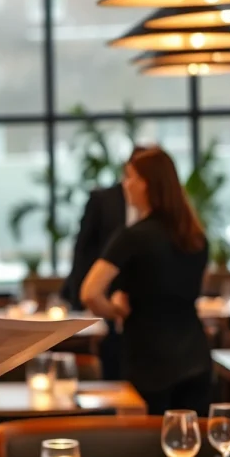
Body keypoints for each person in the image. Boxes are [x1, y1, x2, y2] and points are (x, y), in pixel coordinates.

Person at [79, 147, 211, 416]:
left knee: (148, 437)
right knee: (192, 437)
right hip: (195, 355)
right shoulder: (195, 236)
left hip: (149, 358)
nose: (125, 185)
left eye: (130, 177)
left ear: (148, 184)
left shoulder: (132, 237)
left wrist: (115, 310)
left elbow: (90, 292)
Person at [61, 146, 146, 380]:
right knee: (112, 364)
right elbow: (83, 251)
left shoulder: (169, 222)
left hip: (144, 309)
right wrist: (85, 302)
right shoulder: (104, 201)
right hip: (106, 296)